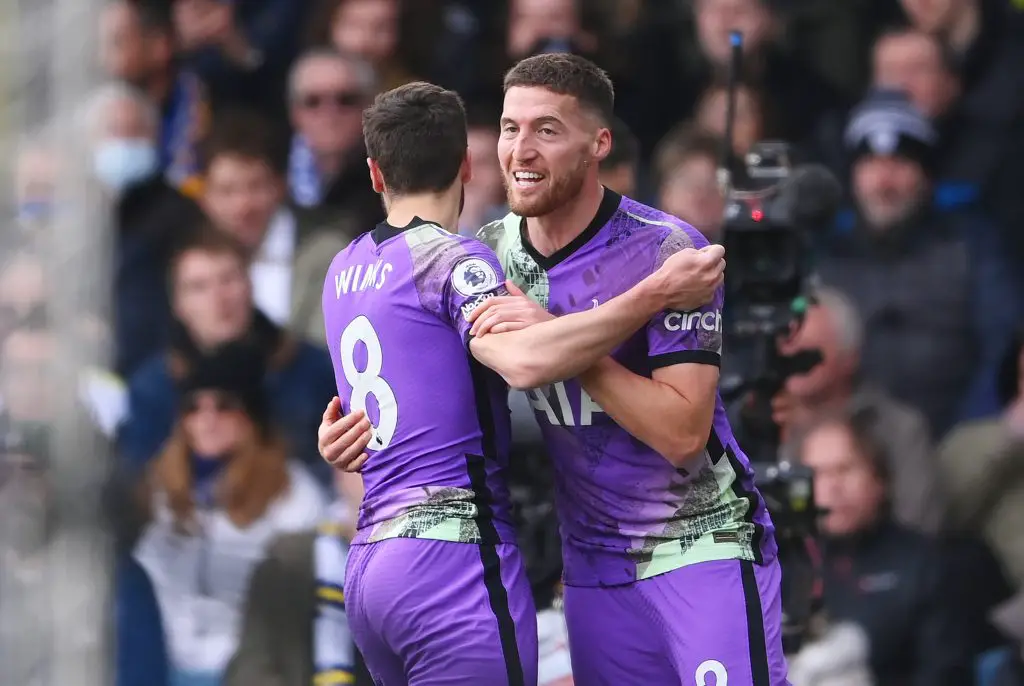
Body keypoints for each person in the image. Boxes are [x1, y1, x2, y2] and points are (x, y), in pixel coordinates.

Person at [321, 54, 787, 685]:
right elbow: (416, 371)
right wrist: (348, 431)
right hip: (593, 569)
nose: (521, 150)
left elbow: (681, 432)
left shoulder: (668, 251)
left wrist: (558, 345)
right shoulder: (487, 253)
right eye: (511, 129)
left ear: (599, 143)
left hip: (700, 545)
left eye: (547, 130)